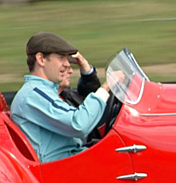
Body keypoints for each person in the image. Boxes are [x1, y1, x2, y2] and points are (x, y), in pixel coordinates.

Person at [11, 32, 113, 162]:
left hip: (72, 160)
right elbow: (79, 124)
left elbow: (83, 101)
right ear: (41, 59)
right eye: (61, 58)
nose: (68, 65)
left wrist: (86, 68)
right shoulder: (33, 94)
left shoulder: (45, 91)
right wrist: (106, 88)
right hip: (61, 168)